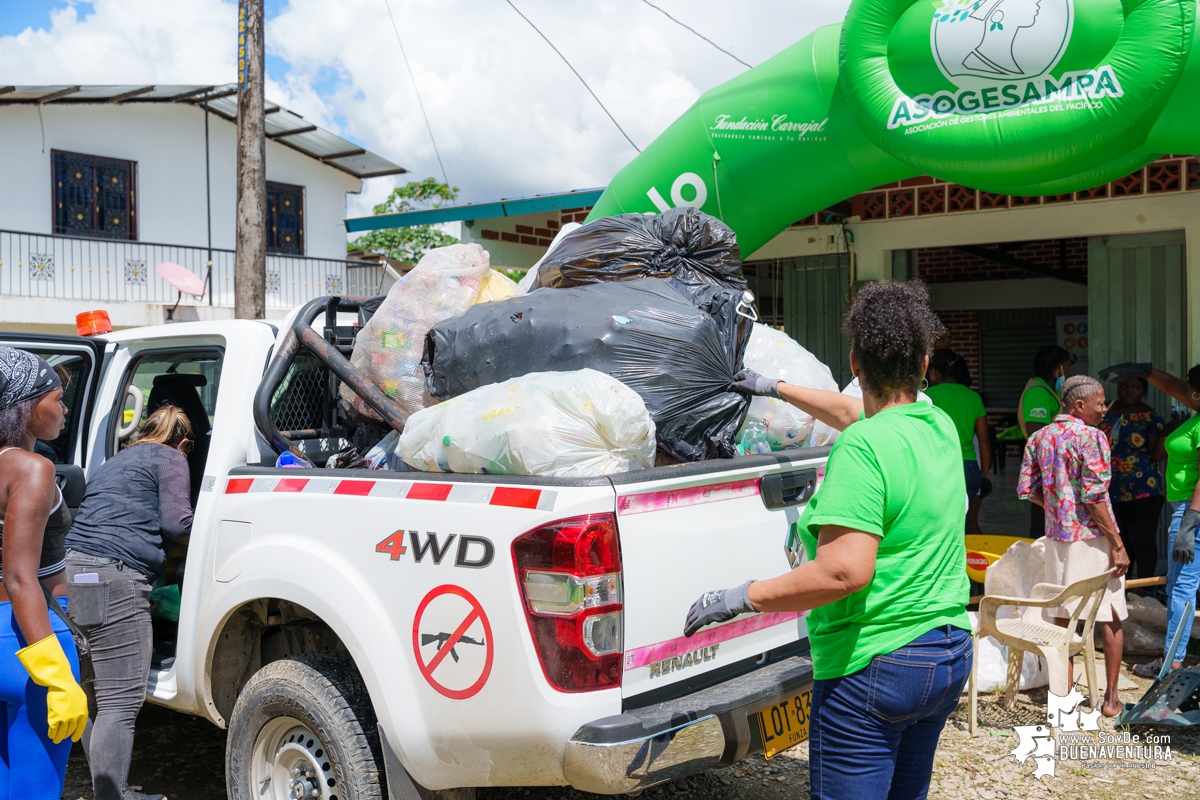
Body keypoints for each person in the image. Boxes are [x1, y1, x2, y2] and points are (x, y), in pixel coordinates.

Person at [686, 281, 971, 800]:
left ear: (854, 362)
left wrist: (739, 597)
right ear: (926, 361)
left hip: (877, 662)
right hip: (945, 651)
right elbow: (854, 414)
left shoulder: (863, 448)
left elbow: (844, 572)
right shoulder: (938, 425)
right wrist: (771, 387)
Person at [65, 405, 195, 800]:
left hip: (73, 573)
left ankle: (107, 792)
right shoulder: (171, 456)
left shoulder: (116, 459)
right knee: (120, 700)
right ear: (185, 442)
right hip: (115, 576)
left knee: (93, 694)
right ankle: (114, 795)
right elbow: (177, 524)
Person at [0, 347, 89, 799]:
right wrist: (55, 675)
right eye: (56, 397)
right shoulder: (33, 469)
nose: (64, 408)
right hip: (31, 640)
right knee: (34, 789)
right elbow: (20, 577)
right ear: (27, 406)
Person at [1017, 375, 1129, 716]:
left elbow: (1026, 489)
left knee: (1061, 619)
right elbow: (1095, 498)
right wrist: (1117, 544)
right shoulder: (1091, 437)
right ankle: (1110, 700)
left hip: (1057, 540)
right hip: (1094, 540)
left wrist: (1058, 508)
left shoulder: (1039, 437)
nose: (1105, 409)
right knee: (1111, 615)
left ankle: (1063, 700)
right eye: (1100, 403)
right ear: (1079, 406)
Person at [1099, 363, 1200, 677]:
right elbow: (1174, 387)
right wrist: (1145, 371)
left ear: (1196, 393)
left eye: (1189, 389)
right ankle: (1175, 659)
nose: (1181, 392)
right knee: (1183, 587)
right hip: (1188, 510)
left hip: (1192, 512)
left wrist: (1189, 523)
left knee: (1181, 589)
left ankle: (1172, 664)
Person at [1099, 375, 1166, 581]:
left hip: (1143, 486)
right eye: (1124, 386)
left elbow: (1156, 454)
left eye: (1135, 387)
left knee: (1142, 540)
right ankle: (1122, 589)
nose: (1129, 391)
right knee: (1119, 540)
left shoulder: (1150, 416)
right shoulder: (1104, 412)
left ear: (1143, 390)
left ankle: (1144, 589)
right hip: (1110, 486)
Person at [926, 348, 991, 534]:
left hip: (941, 466)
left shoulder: (930, 395)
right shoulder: (973, 397)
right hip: (970, 468)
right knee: (966, 525)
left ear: (934, 371)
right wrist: (985, 474)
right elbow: (984, 439)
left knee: (942, 528)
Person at [1020, 345, 1072, 538]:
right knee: (1042, 517)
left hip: (1054, 463)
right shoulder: (1037, 392)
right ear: (1057, 368)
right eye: (1067, 367)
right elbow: (1037, 433)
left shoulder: (1049, 391)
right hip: (1045, 463)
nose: (1068, 372)